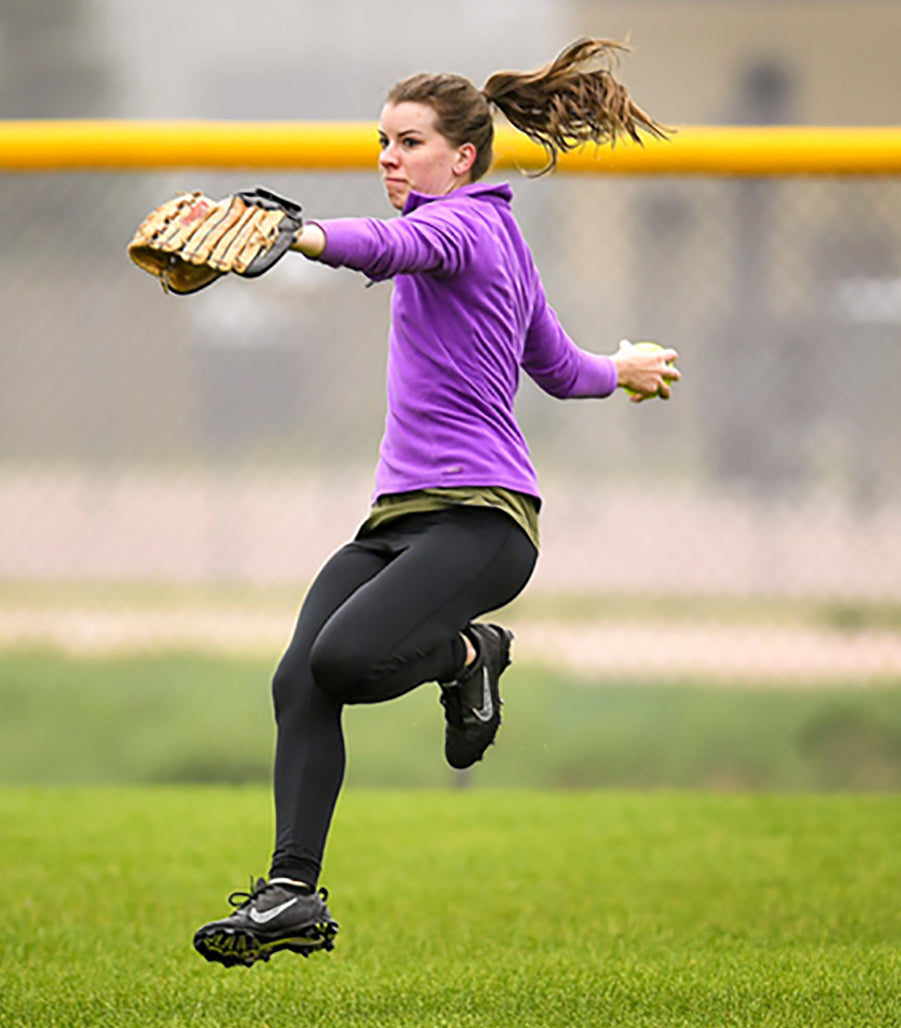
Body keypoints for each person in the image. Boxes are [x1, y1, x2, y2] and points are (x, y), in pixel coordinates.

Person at [192, 37, 680, 969]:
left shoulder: (466, 227)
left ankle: (471, 651)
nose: (388, 158)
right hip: (398, 521)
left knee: (343, 660)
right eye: (381, 141)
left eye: (409, 142)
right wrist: (626, 369)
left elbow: (398, 244)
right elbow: (561, 368)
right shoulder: (501, 241)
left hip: (483, 521)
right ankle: (291, 892)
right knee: (298, 679)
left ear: (462, 157)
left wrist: (298, 235)